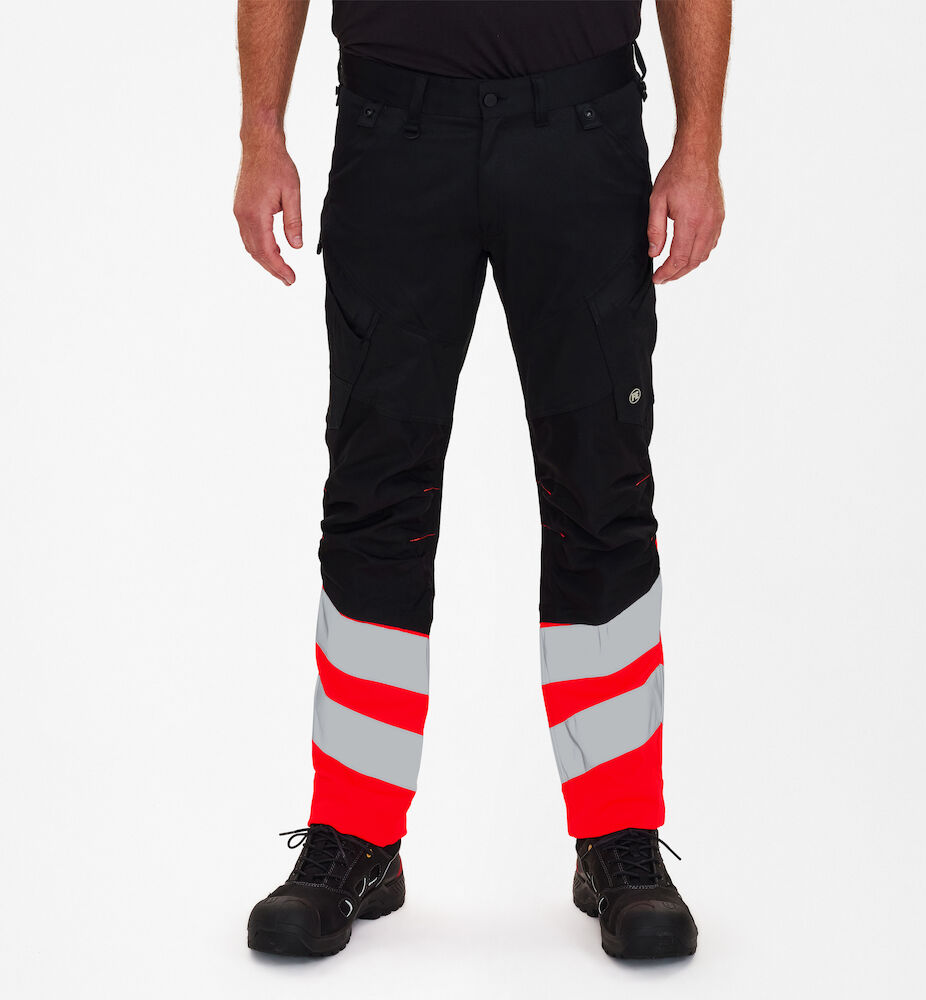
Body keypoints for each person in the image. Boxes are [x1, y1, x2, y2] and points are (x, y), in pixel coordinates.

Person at [235, 0, 730, 961]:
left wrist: (699, 144)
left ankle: (619, 836)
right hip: (393, 134)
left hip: (581, 131)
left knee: (601, 489)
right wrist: (262, 133)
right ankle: (356, 834)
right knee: (376, 491)